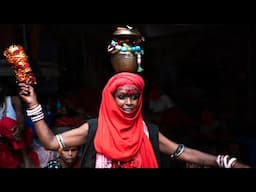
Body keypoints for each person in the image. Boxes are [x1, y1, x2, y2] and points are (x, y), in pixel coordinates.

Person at [18, 72, 250, 168]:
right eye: (122, 97)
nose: (129, 103)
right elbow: (49, 143)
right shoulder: (94, 128)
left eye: (134, 97)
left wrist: (226, 162)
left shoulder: (146, 131)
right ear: (110, 98)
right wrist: (33, 104)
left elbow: (183, 152)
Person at [0, 80, 38, 168]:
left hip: (19, 133)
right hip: (4, 138)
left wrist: (19, 128)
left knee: (6, 122)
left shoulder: (13, 100)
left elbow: (20, 119)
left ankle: (26, 158)